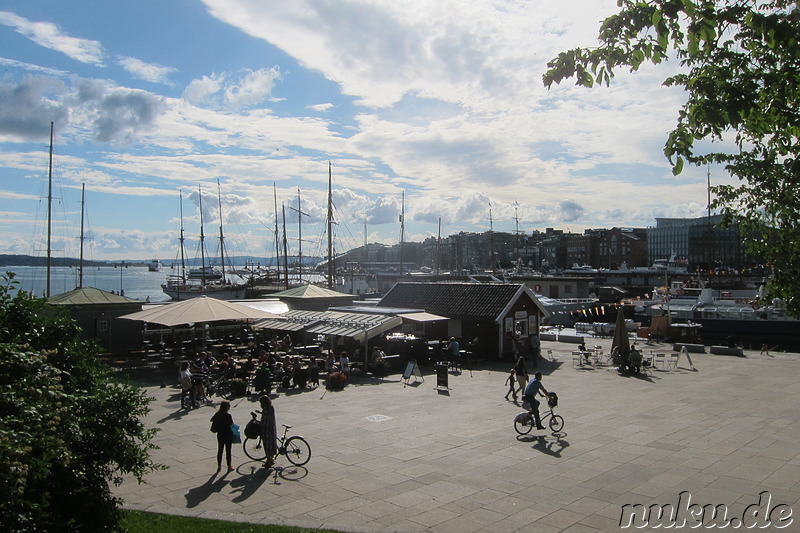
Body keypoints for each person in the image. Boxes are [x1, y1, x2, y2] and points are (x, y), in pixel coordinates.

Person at [210, 400, 235, 472]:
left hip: (220, 434)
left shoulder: (217, 414)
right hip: (228, 434)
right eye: (229, 406)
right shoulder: (228, 416)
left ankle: (219, 466)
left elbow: (211, 420)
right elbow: (232, 425)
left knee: (220, 450)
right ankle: (229, 466)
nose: (229, 407)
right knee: (228, 451)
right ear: (226, 407)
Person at [259, 395, 278, 468]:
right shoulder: (271, 408)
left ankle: (268, 461)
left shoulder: (265, 410)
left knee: (267, 446)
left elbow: (263, 422)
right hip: (272, 428)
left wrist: (257, 421)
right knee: (272, 443)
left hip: (266, 431)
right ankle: (272, 458)